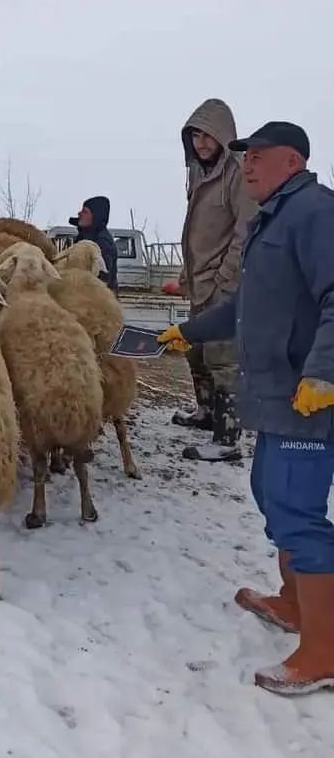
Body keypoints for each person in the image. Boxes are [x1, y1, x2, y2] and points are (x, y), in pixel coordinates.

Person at [157, 122, 334, 696]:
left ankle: (325, 650)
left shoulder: (314, 213)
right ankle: (295, 603)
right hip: (277, 396)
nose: (247, 166)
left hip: (309, 398)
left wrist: (324, 373)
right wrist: (189, 330)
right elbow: (246, 305)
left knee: (296, 512)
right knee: (270, 495)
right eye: (244, 157)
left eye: (256, 157)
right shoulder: (272, 220)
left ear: (291, 160)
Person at [172, 99, 257, 460]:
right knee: (197, 353)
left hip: (223, 283)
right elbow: (196, 228)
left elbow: (244, 232)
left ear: (224, 136)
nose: (202, 143)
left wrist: (226, 279)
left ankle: (227, 438)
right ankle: (206, 413)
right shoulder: (198, 171)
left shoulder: (237, 172)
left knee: (223, 359)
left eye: (208, 136)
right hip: (200, 279)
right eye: (195, 135)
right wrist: (186, 272)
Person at [69, 196, 118, 293]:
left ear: (96, 217)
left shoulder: (102, 242)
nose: (79, 213)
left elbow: (102, 280)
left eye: (85, 211)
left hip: (96, 301)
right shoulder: (86, 236)